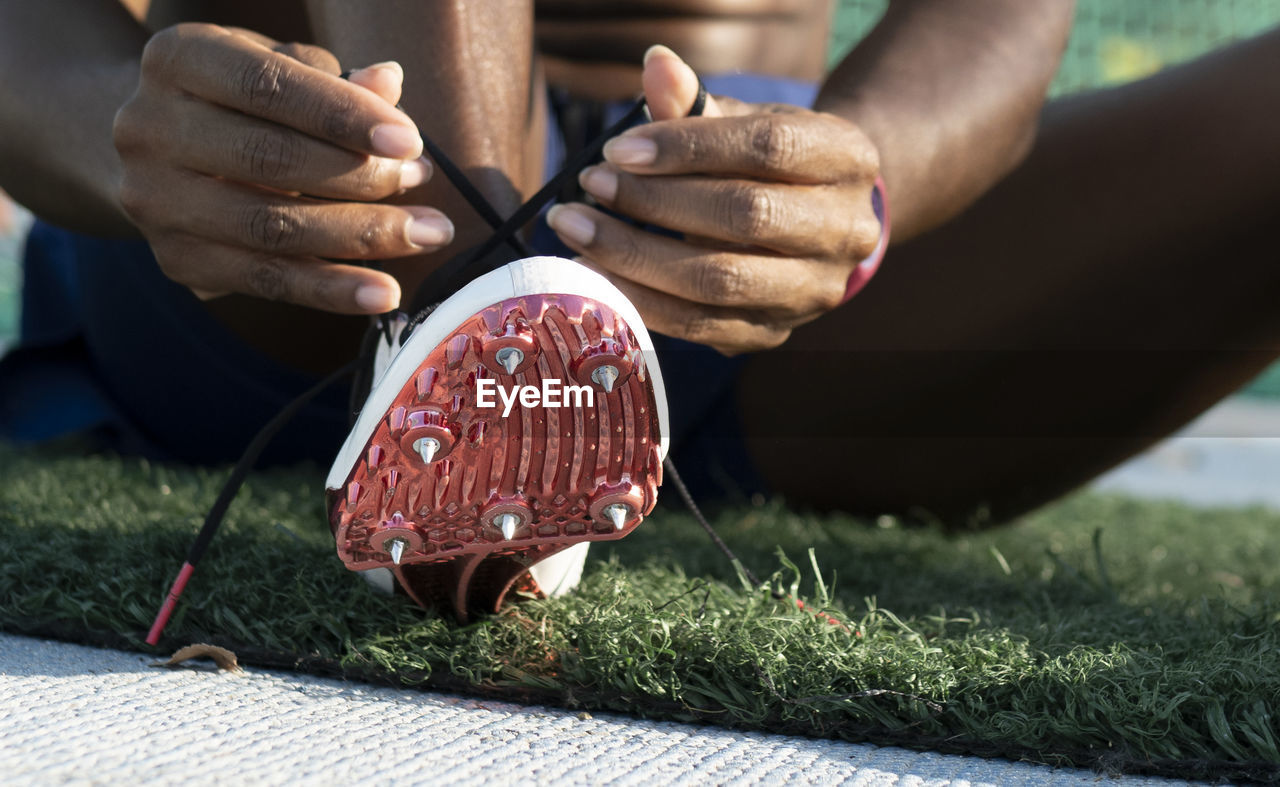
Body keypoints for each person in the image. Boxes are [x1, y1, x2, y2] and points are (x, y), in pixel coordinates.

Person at [1, 0, 1277, 531]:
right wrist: (121, 128)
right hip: (297, 239)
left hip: (746, 280)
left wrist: (856, 182)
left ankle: (532, 414)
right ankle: (467, 386)